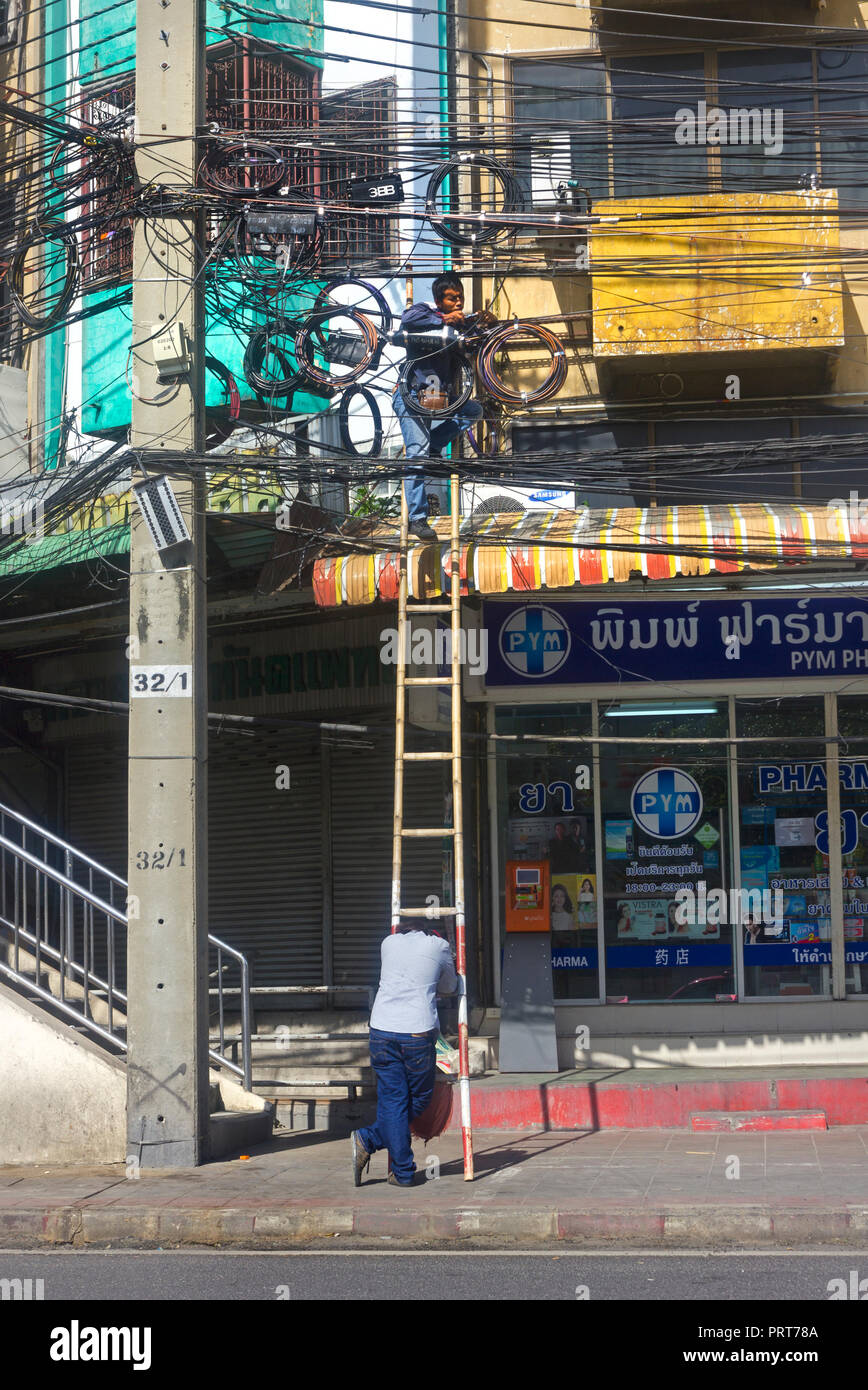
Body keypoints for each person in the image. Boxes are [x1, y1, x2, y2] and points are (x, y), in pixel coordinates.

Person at [351, 921, 458, 1188]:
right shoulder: (440, 946)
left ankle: (376, 1145)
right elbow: (450, 987)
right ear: (435, 932)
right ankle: (395, 1164)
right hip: (416, 1033)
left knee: (394, 1101)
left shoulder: (388, 942)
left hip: (382, 1030)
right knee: (419, 1098)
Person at [394, 273, 491, 542]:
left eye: (460, 296)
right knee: (415, 454)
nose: (458, 301)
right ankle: (416, 519)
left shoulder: (457, 326)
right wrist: (444, 319)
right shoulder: (425, 312)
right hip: (411, 397)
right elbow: (407, 320)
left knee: (474, 411)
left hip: (439, 399)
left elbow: (474, 343)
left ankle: (435, 445)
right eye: (452, 298)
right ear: (440, 300)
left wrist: (480, 326)